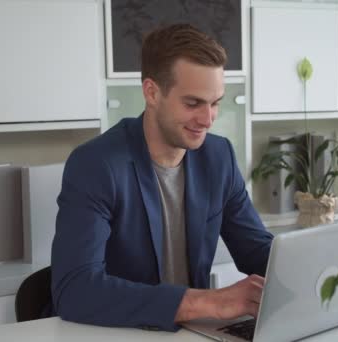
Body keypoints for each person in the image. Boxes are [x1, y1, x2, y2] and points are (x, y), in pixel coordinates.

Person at [50, 23, 273, 332]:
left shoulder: (218, 157)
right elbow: (75, 291)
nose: (208, 119)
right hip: (116, 333)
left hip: (190, 334)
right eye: (193, 103)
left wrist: (329, 274)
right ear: (152, 92)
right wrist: (211, 302)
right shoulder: (96, 164)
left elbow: (257, 252)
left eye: (216, 103)